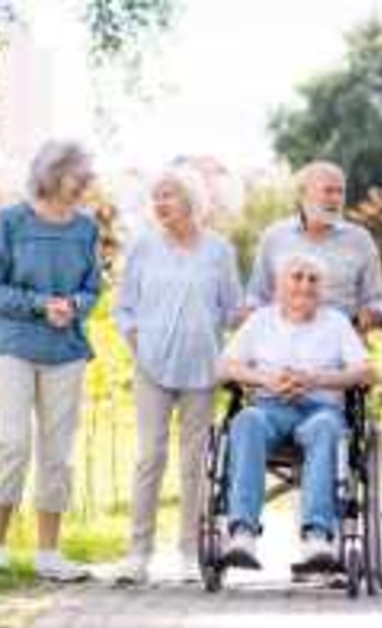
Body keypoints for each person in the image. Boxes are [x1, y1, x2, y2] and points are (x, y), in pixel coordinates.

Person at [0, 140, 101, 582]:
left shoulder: (86, 228)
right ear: (52, 173)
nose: (87, 181)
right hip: (11, 345)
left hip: (64, 351)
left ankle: (49, 554)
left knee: (58, 454)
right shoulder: (12, 221)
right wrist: (39, 304)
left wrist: (74, 304)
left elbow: (92, 288)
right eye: (79, 173)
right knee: (12, 443)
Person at [113, 168, 243, 586]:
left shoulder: (219, 250)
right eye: (156, 197)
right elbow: (125, 307)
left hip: (202, 368)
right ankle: (138, 553)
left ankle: (190, 550)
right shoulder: (143, 246)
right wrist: (137, 344)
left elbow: (232, 307)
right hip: (152, 366)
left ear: (190, 200)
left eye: (168, 195)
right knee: (150, 457)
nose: (160, 203)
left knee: (194, 463)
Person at [218, 252, 375, 570]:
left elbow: (366, 372)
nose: (304, 285)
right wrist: (267, 379)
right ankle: (242, 532)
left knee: (326, 430)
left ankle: (317, 536)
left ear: (323, 288)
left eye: (313, 279)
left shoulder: (336, 322)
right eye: (297, 277)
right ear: (279, 284)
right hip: (268, 408)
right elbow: (224, 366)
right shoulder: (260, 320)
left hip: (321, 410)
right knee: (246, 420)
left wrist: (317, 379)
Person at [246, 161, 382, 330]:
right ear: (303, 194)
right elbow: (256, 297)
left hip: (341, 348)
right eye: (328, 191)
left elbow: (377, 301)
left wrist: (368, 317)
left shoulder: (360, 240)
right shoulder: (274, 237)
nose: (336, 199)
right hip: (283, 347)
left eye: (340, 192)